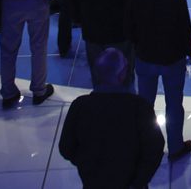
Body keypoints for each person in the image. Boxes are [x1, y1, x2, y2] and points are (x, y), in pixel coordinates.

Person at [124, 0, 191, 162]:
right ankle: (175, 147)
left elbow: (129, 30)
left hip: (145, 58)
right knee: (174, 104)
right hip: (173, 59)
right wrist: (189, 52)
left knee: (145, 104)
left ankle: (145, 145)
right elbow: (184, 27)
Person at [58, 48, 165, 189]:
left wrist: (88, 165)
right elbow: (155, 148)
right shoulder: (139, 107)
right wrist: (138, 181)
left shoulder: (80, 106)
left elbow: (66, 148)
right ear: (122, 74)